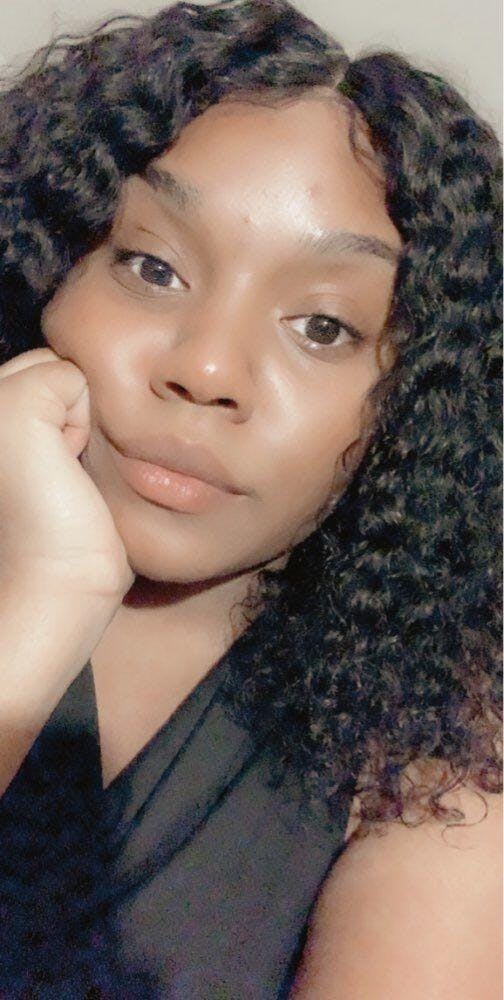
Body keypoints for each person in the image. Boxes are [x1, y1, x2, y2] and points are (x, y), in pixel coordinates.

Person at [0, 0, 501, 996]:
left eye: (323, 327)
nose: (208, 369)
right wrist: (41, 605)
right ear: (48, 265)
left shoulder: (434, 757)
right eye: (152, 267)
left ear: (415, 405)